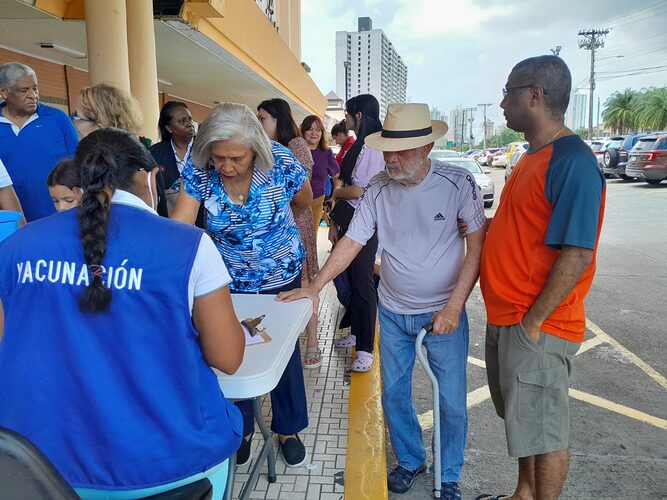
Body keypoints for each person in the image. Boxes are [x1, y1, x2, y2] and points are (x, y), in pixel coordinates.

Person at [0, 128, 245, 498]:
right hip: (170, 464)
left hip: (40, 467)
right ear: (147, 176)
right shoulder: (189, 245)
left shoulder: (16, 245)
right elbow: (228, 358)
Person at [279, 103, 486, 499]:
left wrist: (454, 307)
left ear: (426, 148)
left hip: (443, 313)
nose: (391, 158)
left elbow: (476, 250)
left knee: (452, 402)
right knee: (393, 394)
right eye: (388, 149)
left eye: (402, 150)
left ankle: (450, 475)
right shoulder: (377, 187)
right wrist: (316, 285)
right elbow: (353, 242)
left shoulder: (458, 183)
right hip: (392, 310)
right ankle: (410, 459)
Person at [478, 55, 606, 500]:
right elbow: (526, 229)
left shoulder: (572, 161)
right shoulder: (534, 156)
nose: (502, 103)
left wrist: (534, 321)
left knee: (546, 431)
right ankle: (524, 493)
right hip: (510, 317)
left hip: (536, 325)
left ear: (535, 95)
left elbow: (578, 253)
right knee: (526, 423)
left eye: (509, 93)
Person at [172, 103, 313, 468]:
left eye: (236, 157)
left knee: (281, 351)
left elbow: (303, 198)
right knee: (231, 351)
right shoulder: (201, 169)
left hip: (280, 274)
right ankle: (243, 427)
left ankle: (289, 428)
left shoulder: (280, 161)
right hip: (226, 279)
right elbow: (180, 229)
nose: (227, 167)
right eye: (219, 158)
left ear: (256, 148)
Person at [257, 98, 322, 369]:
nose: (259, 123)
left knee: (305, 284)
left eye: (263, 118)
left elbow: (301, 192)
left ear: (277, 119)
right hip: (273, 229)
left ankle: (313, 342)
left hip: (296, 222)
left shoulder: (295, 145)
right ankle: (283, 338)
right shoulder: (261, 149)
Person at [328, 94, 384, 372]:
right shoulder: (361, 145)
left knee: (363, 284)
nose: (345, 119)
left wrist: (336, 192)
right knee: (352, 278)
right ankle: (356, 334)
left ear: (358, 116)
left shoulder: (373, 147)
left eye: (348, 114)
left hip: (365, 223)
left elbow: (361, 190)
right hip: (350, 219)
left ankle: (365, 348)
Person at [72, 83, 169, 217]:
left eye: (77, 117)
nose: (75, 124)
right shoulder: (126, 156)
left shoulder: (133, 165)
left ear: (100, 123)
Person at [0, 62, 78, 221]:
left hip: (58, 216)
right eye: (24, 90)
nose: (33, 95)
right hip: (12, 222)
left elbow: (79, 164)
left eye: (35, 88)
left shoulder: (58, 119)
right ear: (3, 92)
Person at [149, 101, 206, 225]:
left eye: (190, 120)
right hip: (168, 221)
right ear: (169, 128)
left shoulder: (205, 150)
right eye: (182, 121)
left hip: (203, 222)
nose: (189, 124)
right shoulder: (155, 154)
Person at [301, 115, 339, 232]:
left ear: (322, 133)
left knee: (312, 236)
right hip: (297, 202)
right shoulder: (297, 150)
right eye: (310, 129)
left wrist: (334, 196)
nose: (314, 133)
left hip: (316, 200)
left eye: (318, 130)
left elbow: (337, 177)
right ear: (303, 131)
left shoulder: (326, 152)